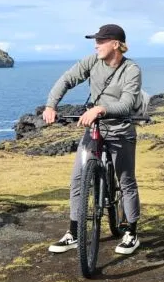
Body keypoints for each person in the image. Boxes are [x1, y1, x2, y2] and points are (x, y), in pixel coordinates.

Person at [42, 24, 144, 256]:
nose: (96, 45)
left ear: (115, 44)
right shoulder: (92, 61)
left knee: (126, 181)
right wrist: (51, 105)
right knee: (78, 178)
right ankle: (74, 233)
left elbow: (127, 103)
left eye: (101, 41)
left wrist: (100, 109)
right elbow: (66, 80)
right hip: (96, 129)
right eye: (95, 41)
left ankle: (131, 232)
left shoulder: (131, 70)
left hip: (120, 130)